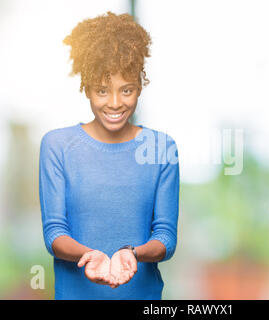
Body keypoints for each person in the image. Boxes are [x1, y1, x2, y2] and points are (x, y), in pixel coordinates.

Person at [38, 11, 180, 300]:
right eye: (102, 90)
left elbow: (166, 238)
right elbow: (54, 233)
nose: (115, 103)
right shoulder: (57, 146)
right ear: (86, 88)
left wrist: (132, 253)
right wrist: (89, 255)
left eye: (126, 90)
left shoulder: (162, 148)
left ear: (140, 86)